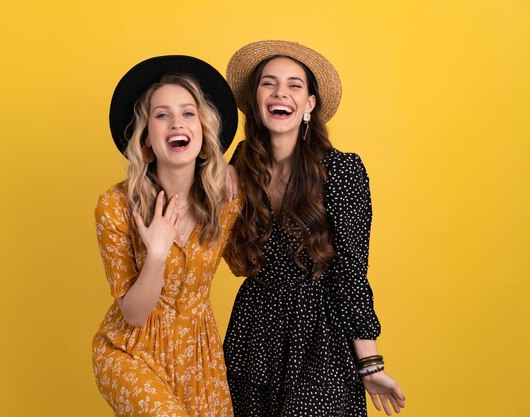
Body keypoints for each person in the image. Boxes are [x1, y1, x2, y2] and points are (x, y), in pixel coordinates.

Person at [222, 40, 406, 416]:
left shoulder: (341, 171)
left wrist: (370, 363)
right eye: (268, 83)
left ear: (309, 105)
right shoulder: (240, 163)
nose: (280, 93)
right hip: (253, 330)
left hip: (319, 332)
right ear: (256, 100)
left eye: (294, 85)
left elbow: (351, 271)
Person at [92, 55, 240, 417]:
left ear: (204, 136)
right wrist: (156, 254)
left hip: (198, 356)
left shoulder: (228, 202)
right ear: (146, 138)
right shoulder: (115, 206)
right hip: (129, 350)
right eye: (162, 115)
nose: (177, 122)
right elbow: (134, 314)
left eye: (188, 113)